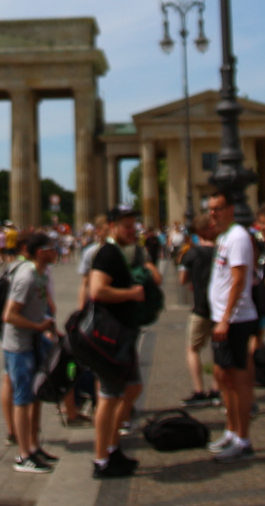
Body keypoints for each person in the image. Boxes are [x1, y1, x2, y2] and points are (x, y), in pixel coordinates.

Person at [87, 204, 146, 480]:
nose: (131, 229)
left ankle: (112, 447)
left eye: (133, 224)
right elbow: (96, 290)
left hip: (122, 334)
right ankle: (101, 460)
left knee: (132, 388)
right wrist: (131, 294)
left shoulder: (118, 252)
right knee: (109, 398)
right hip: (110, 337)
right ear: (111, 227)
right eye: (125, 225)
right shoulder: (108, 253)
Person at [205, 193, 259, 463]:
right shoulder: (224, 236)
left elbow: (238, 280)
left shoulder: (237, 237)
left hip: (236, 319)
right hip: (223, 318)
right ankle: (231, 429)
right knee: (222, 375)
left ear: (230, 209)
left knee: (238, 380)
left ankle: (243, 438)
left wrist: (225, 317)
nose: (212, 213)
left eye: (217, 208)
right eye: (210, 209)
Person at [2, 233, 59, 474]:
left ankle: (34, 447)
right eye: (50, 248)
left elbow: (43, 308)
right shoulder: (26, 277)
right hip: (19, 346)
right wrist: (38, 327)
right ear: (38, 252)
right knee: (23, 399)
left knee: (35, 396)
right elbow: (9, 315)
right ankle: (23, 455)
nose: (55, 251)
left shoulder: (41, 274)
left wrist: (49, 328)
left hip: (34, 342)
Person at [176, 214, 219, 407]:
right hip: (219, 308)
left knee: (193, 349)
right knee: (217, 349)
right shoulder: (221, 251)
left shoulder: (191, 253)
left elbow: (182, 280)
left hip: (200, 307)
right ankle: (217, 388)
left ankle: (200, 390)